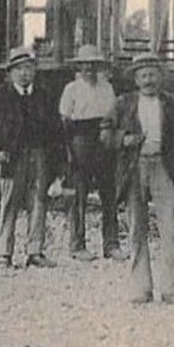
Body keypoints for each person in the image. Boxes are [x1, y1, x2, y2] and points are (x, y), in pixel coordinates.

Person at [112, 52, 174, 304]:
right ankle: (141, 288)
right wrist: (123, 139)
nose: (148, 79)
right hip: (134, 167)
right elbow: (105, 133)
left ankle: (171, 290)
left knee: (171, 229)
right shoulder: (123, 103)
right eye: (143, 75)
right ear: (136, 79)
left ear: (160, 77)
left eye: (152, 74)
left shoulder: (173, 104)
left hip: (165, 166)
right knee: (137, 228)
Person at [0, 46, 61, 268]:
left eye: (28, 68)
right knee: (8, 203)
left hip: (39, 155)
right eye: (19, 69)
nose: (24, 73)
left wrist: (56, 161)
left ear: (34, 71)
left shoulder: (44, 95)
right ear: (11, 72)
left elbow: (55, 129)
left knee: (38, 202)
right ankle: (4, 252)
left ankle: (35, 251)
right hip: (11, 157)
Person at [58, 44, 119, 260]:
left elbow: (112, 116)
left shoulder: (107, 88)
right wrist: (69, 152)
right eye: (85, 65)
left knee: (109, 194)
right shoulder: (71, 89)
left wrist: (107, 134)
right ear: (79, 66)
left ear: (100, 67)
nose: (89, 69)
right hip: (80, 141)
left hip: (103, 140)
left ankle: (111, 244)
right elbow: (65, 121)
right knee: (79, 195)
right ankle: (77, 245)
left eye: (94, 65)